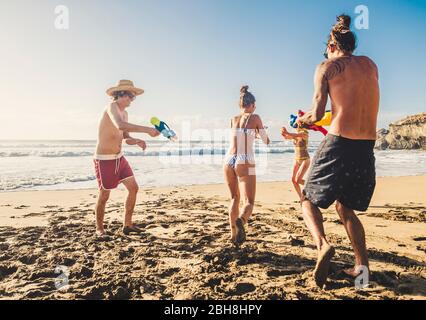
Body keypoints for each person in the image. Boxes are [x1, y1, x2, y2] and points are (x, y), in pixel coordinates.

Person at [297, 15, 380, 288]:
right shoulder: (371, 65)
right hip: (366, 145)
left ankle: (322, 246)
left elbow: (319, 112)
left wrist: (303, 120)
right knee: (345, 207)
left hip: (339, 142)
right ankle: (362, 268)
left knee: (307, 197)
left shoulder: (326, 67)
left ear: (331, 45)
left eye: (327, 49)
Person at [94, 79, 160, 236]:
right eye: (130, 95)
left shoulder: (125, 113)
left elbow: (125, 135)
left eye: (133, 97)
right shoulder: (111, 107)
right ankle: (99, 229)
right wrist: (147, 130)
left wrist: (136, 140)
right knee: (104, 195)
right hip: (104, 159)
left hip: (119, 158)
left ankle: (128, 225)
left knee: (133, 188)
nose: (132, 99)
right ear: (120, 94)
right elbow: (120, 125)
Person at [224, 86, 270, 246]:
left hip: (229, 158)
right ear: (253, 104)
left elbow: (241, 135)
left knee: (234, 198)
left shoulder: (233, 119)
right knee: (249, 201)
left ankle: (233, 235)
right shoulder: (255, 117)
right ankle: (241, 221)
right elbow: (266, 140)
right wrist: (260, 133)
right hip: (244, 158)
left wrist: (253, 134)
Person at [281, 125, 311, 200]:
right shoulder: (295, 135)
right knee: (293, 180)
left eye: (298, 125)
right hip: (297, 159)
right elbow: (287, 137)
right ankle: (301, 197)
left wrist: (287, 132)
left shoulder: (305, 134)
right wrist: (283, 133)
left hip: (305, 159)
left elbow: (296, 135)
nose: (296, 126)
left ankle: (312, 186)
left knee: (298, 180)